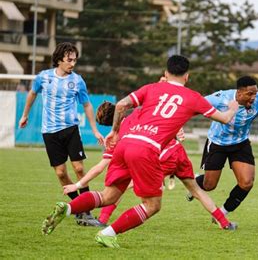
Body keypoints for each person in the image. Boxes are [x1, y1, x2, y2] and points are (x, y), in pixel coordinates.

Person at [41, 55, 239, 248]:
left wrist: (114, 131)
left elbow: (121, 105)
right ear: (187, 76)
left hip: (125, 144)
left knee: (108, 195)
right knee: (153, 205)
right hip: (147, 149)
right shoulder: (193, 97)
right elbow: (225, 119)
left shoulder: (151, 88)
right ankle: (107, 233)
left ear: (165, 72)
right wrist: (233, 108)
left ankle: (67, 208)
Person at [63, 101, 236, 230]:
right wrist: (177, 130)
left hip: (155, 157)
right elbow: (164, 117)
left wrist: (78, 185)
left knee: (125, 188)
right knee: (196, 191)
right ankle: (224, 223)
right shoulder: (138, 114)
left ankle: (104, 223)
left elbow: (99, 167)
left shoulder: (116, 137)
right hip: (176, 151)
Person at [19, 42, 104, 226]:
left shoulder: (78, 81)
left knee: (79, 169)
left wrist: (95, 130)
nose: (72, 64)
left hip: (71, 129)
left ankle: (87, 211)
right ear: (59, 60)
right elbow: (32, 94)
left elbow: (87, 105)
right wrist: (25, 115)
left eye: (75, 60)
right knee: (60, 173)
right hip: (49, 132)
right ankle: (78, 208)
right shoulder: (43, 77)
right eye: (69, 60)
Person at [190, 75, 258, 221]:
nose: (253, 98)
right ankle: (193, 181)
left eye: (255, 93)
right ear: (239, 93)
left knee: (246, 183)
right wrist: (177, 124)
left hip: (240, 144)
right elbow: (195, 105)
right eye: (250, 94)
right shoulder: (221, 98)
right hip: (217, 143)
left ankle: (222, 213)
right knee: (209, 185)